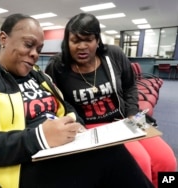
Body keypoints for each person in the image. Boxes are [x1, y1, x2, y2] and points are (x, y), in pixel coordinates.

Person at [0, 13, 154, 188]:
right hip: (17, 168)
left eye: (38, 49)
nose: (34, 54)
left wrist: (77, 127)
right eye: (28, 45)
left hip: (56, 152)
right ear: (3, 38)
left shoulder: (37, 75)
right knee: (112, 158)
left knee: (111, 156)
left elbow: (65, 106)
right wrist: (40, 137)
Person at [45, 13, 177, 188]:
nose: (82, 46)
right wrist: (76, 122)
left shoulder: (113, 55)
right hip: (91, 127)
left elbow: (130, 86)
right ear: (67, 42)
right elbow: (57, 101)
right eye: (75, 40)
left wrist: (132, 113)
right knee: (140, 162)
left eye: (88, 39)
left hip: (127, 118)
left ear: (97, 40)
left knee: (166, 160)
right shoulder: (57, 66)